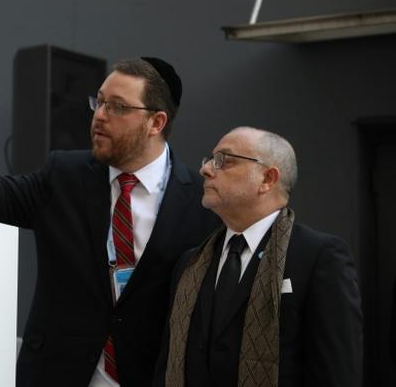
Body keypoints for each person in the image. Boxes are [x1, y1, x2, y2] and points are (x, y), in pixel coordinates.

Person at [0, 58, 219, 387]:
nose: (99, 116)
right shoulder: (64, 174)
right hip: (57, 372)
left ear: (156, 122)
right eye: (98, 102)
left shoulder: (200, 202)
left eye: (116, 107)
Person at [154, 127, 363, 387]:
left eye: (223, 160)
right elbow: (166, 367)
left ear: (267, 178)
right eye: (209, 160)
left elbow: (337, 374)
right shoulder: (190, 263)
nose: (206, 170)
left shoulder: (318, 257)